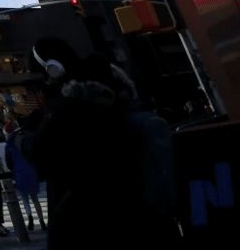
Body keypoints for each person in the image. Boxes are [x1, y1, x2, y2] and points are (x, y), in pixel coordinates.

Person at [24, 43, 175, 250]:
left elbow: (40, 154)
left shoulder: (69, 116)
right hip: (146, 225)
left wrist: (39, 126)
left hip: (93, 226)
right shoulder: (117, 105)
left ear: (53, 70)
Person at [2, 116, 44, 231]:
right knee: (35, 198)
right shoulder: (24, 138)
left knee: (25, 199)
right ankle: (41, 220)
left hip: (19, 172)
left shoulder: (9, 145)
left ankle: (30, 218)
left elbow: (9, 162)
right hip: (30, 170)